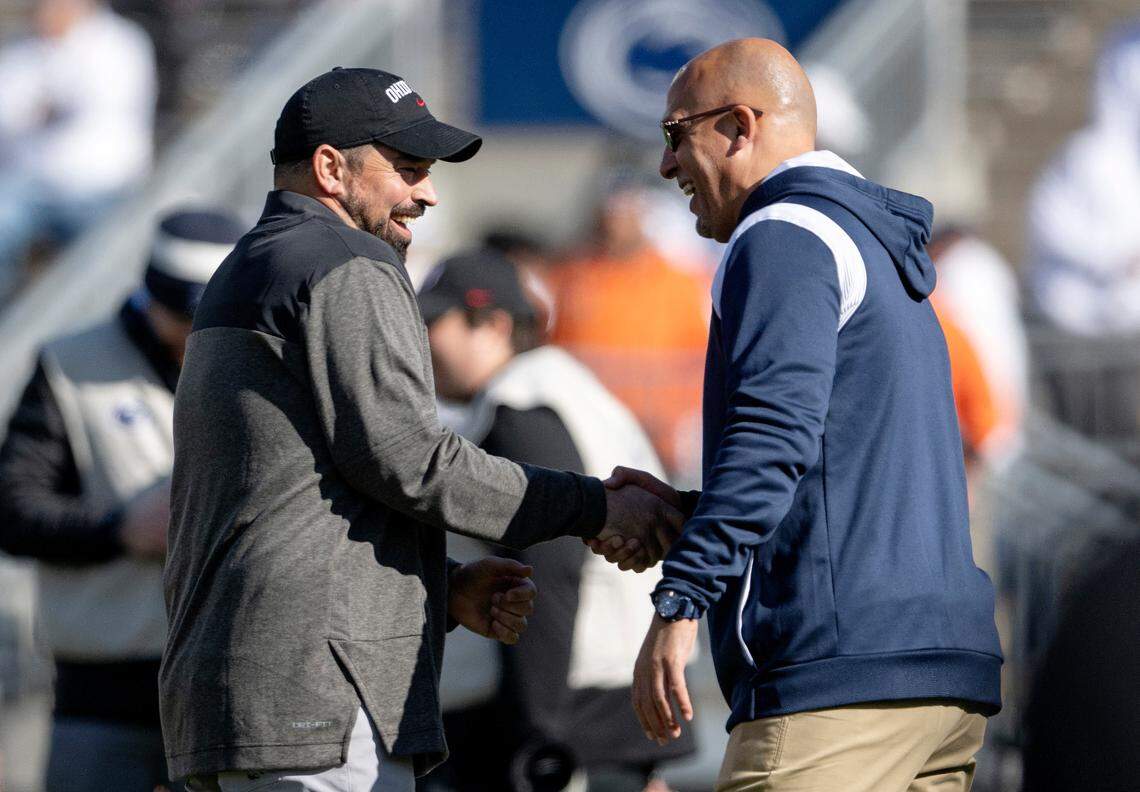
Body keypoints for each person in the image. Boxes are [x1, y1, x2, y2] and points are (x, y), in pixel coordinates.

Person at [161, 68, 681, 792]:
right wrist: (597, 506)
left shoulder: (245, 267)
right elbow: (409, 459)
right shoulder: (348, 262)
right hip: (320, 706)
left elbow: (291, 500)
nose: (427, 193)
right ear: (330, 168)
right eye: (407, 169)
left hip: (242, 690)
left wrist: (438, 592)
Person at [596, 38, 1002, 791]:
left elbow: (772, 440)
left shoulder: (783, 234)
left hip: (839, 681)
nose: (665, 167)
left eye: (675, 135)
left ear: (739, 128)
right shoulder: (866, 241)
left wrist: (684, 595)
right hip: (937, 676)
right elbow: (831, 473)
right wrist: (693, 514)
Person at [417, 251, 696, 792]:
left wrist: (537, 732)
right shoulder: (557, 385)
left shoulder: (521, 405)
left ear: (492, 324)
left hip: (570, 711)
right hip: (604, 695)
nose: (422, 341)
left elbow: (550, 566)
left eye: (433, 322)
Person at [0, 207, 245, 792]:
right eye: (180, 317)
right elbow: (12, 511)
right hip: (103, 693)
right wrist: (119, 530)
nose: (192, 334)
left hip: (236, 683)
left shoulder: (267, 359)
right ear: (149, 295)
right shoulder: (70, 363)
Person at [546, 178, 709, 480]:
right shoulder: (572, 277)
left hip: (660, 441)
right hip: (586, 430)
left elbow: (698, 359)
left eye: (626, 212)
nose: (616, 223)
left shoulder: (681, 282)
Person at [0, 0, 156, 301]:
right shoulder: (23, 50)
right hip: (29, 185)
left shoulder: (119, 42)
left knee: (101, 269)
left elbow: (97, 107)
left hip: (101, 186)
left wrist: (42, 110)